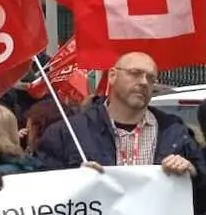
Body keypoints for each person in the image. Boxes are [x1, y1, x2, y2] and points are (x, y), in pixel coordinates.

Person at [38, 52, 204, 178]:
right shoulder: (69, 132)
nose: (144, 82)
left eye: (151, 78)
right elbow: (42, 190)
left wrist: (192, 174)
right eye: (135, 73)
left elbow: (200, 201)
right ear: (112, 76)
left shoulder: (175, 133)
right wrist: (75, 180)